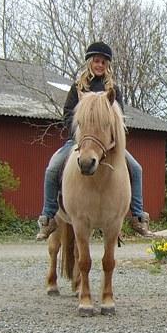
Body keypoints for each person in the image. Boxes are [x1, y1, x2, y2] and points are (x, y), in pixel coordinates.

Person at [36, 41, 154, 240]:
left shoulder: (113, 89)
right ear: (90, 62)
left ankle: (137, 216)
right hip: (80, 141)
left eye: (103, 62)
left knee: (136, 169)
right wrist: (79, 136)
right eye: (96, 61)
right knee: (52, 169)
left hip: (107, 145)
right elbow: (67, 114)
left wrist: (109, 139)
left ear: (108, 65)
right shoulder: (78, 88)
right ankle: (49, 216)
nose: (99, 65)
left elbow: (119, 118)